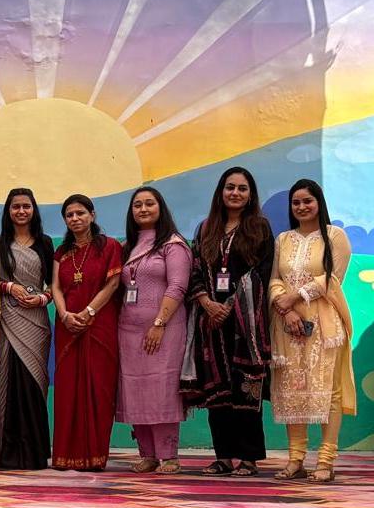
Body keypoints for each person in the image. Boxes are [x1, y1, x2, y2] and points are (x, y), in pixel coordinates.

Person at [180, 166, 274, 476]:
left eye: (242, 188)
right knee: (217, 393)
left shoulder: (259, 228)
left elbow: (262, 272)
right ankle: (223, 457)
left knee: (246, 392)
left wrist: (231, 305)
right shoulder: (207, 228)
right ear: (221, 192)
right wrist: (207, 303)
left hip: (246, 327)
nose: (235, 193)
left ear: (250, 195)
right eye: (230, 187)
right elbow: (194, 269)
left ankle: (248, 458)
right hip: (211, 325)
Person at [270, 179, 355, 483]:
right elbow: (274, 280)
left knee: (328, 391)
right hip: (288, 326)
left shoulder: (335, 236)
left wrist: (295, 296)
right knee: (292, 390)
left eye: (308, 201)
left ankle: (326, 461)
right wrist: (287, 309)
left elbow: (333, 278)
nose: (302, 207)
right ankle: (296, 460)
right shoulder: (283, 239)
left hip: (324, 325)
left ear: (319, 202)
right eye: (296, 202)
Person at [116, 187, 192, 473]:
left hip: (165, 328)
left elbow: (178, 286)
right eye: (137, 205)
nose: (143, 209)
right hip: (128, 331)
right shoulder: (127, 246)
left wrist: (159, 323)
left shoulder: (173, 244)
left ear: (161, 208)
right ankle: (147, 454)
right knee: (136, 389)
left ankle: (169, 455)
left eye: (149, 203)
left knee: (162, 389)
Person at [49, 194, 122, 471]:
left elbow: (113, 284)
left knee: (98, 389)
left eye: (80, 213)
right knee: (68, 391)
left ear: (92, 215)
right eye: (69, 215)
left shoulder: (110, 246)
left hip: (100, 325)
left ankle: (95, 456)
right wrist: (65, 315)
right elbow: (56, 286)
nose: (75, 218)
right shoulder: (62, 252)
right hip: (68, 327)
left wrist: (89, 311)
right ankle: (65, 456)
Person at [0, 188, 54, 469]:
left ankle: (34, 452)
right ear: (8, 211)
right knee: (7, 380)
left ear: (34, 210)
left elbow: (55, 284)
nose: (21, 211)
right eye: (16, 207)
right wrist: (9, 287)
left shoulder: (45, 243)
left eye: (26, 206)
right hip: (6, 320)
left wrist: (43, 298)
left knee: (33, 383)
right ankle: (7, 451)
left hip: (36, 322)